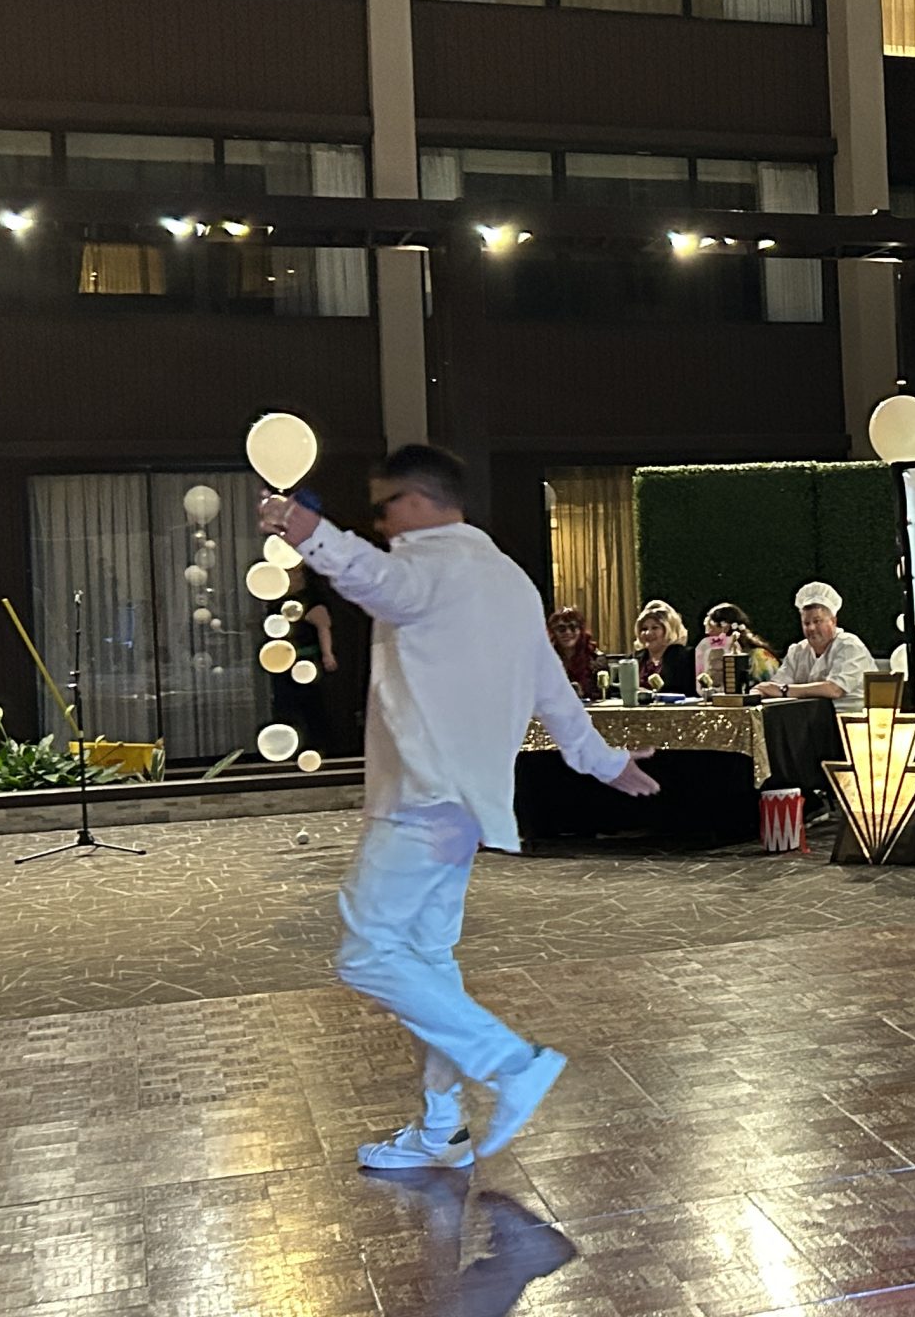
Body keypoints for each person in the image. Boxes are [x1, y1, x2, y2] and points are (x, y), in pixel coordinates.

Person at [261, 443, 659, 1171]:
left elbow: (378, 580)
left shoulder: (426, 569)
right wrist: (606, 763)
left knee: (368, 951)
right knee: (425, 959)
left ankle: (509, 1063)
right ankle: (442, 1123)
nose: (381, 523)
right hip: (464, 804)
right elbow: (554, 694)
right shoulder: (508, 580)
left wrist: (307, 531)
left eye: (385, 507)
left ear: (416, 502)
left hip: (421, 794)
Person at [759, 582, 875, 700]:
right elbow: (775, 687)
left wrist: (784, 690)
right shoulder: (797, 651)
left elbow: (835, 690)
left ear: (833, 621)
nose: (811, 628)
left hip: (850, 715)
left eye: (817, 621)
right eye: (806, 623)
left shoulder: (849, 645)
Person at [271, 565, 338, 747]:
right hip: (284, 664)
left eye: (292, 574)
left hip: (304, 664)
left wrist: (327, 654)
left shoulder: (308, 600)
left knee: (309, 707)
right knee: (289, 707)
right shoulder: (283, 601)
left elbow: (323, 625)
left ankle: (318, 745)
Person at [701, 602, 780, 693]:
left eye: (711, 629)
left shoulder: (759, 656)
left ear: (725, 628)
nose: (708, 635)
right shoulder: (715, 655)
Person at [634, 599, 695, 696]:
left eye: (655, 628)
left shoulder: (685, 657)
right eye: (644, 629)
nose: (648, 633)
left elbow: (685, 691)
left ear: (668, 630)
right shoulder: (634, 659)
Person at [546, 606, 601, 700]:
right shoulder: (545, 660)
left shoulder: (596, 659)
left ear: (581, 631)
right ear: (553, 632)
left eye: (573, 627)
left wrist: (582, 692)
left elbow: (603, 693)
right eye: (561, 629)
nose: (567, 632)